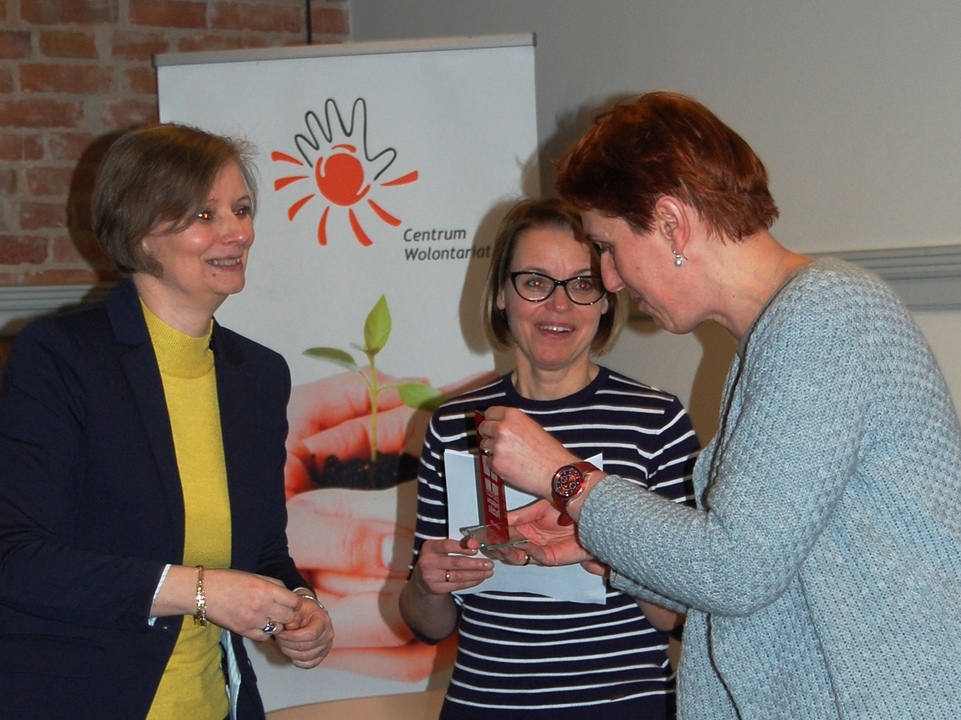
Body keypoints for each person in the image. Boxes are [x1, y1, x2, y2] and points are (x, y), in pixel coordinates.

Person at [476, 92, 961, 719]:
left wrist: (565, 477)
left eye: (608, 246)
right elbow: (763, 580)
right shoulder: (779, 335)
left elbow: (735, 570)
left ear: (671, 223)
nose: (610, 278)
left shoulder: (824, 318)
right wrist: (601, 545)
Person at [0, 123, 334, 720]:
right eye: (205, 215)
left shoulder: (258, 376)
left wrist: (299, 605)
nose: (238, 232)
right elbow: (17, 559)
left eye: (241, 209)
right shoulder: (62, 358)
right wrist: (202, 591)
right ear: (140, 235)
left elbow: (262, 550)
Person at [398, 198, 701, 720]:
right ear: (501, 294)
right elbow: (429, 624)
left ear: (606, 299)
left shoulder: (655, 421)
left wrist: (611, 550)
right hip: (485, 706)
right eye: (536, 282)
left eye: (582, 285)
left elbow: (683, 617)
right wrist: (427, 583)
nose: (559, 305)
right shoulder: (453, 424)